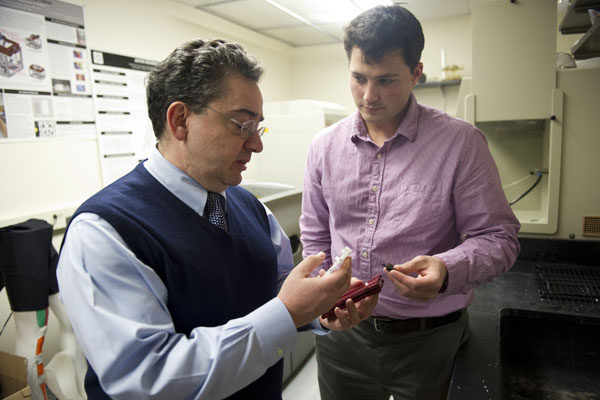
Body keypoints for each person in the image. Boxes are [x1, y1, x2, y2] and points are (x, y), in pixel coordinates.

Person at [57, 38, 378, 399]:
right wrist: (287, 313)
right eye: (242, 125)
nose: (256, 144)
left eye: (258, 127)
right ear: (180, 120)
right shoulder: (104, 232)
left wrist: (319, 308)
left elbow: (276, 291)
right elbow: (149, 379)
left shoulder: (250, 207)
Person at [300, 6, 521, 400]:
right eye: (358, 78)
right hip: (342, 341)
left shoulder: (461, 144)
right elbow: (315, 237)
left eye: (386, 80)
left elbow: (499, 238)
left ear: (416, 73)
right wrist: (323, 295)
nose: (369, 96)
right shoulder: (323, 147)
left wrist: (447, 269)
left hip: (429, 343)